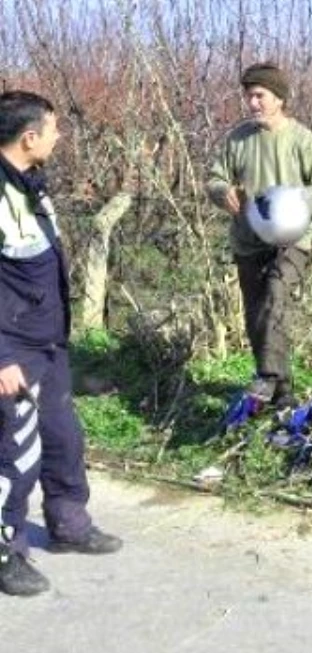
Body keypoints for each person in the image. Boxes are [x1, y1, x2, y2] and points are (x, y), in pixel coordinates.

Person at [0, 91, 122, 597]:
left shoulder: (30, 185)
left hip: (48, 341)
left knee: (62, 437)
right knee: (14, 456)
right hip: (14, 350)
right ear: (29, 138)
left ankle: (69, 524)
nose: (58, 136)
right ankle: (6, 551)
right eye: (52, 129)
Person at [206, 62, 312, 408]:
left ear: (279, 98)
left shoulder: (302, 140)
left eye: (259, 96)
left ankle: (267, 376)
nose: (252, 103)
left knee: (275, 298)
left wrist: (298, 201)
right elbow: (214, 178)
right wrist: (222, 193)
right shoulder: (238, 139)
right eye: (248, 96)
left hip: (291, 240)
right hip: (248, 240)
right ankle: (282, 395)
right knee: (256, 316)